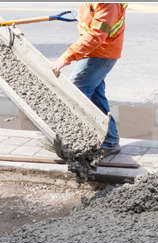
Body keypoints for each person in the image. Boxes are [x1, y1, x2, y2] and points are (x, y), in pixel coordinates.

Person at [51, 3, 128, 157]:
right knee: (95, 98)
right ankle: (110, 140)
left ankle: (69, 141)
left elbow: (97, 34)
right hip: (94, 52)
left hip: (100, 54)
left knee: (74, 94)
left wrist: (67, 57)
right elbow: (93, 16)